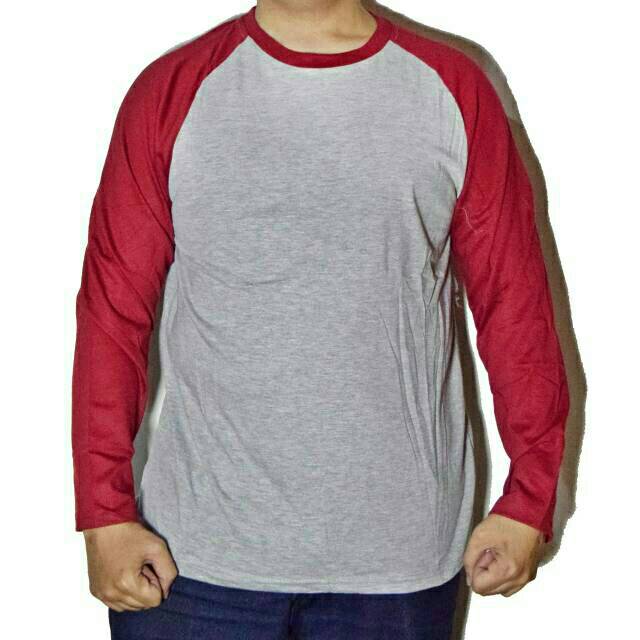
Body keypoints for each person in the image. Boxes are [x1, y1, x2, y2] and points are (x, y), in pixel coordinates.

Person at [71, 1, 570, 638]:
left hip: (397, 569)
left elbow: (517, 309)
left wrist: (530, 499)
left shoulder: (452, 88)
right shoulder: (171, 91)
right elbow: (113, 313)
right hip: (191, 566)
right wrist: (104, 512)